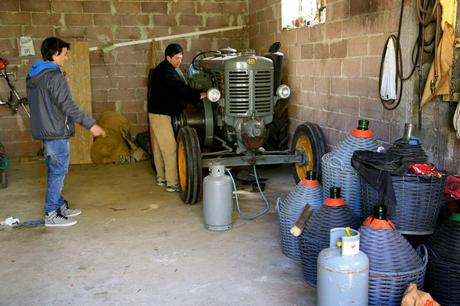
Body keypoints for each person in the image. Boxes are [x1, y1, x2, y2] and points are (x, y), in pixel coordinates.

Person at [26, 37, 106, 227]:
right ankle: (51, 213)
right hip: (56, 132)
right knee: (58, 172)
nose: (67, 58)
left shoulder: (34, 75)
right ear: (55, 54)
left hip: (46, 132)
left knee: (55, 170)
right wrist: (91, 125)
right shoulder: (54, 76)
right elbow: (68, 106)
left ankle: (59, 205)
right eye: (65, 54)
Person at [147, 43, 206, 192]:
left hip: (158, 113)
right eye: (177, 58)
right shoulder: (165, 72)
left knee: (161, 149)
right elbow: (179, 88)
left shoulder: (167, 69)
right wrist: (199, 94)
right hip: (160, 115)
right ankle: (172, 183)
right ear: (168, 57)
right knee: (171, 149)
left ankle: (162, 178)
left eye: (181, 58)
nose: (179, 61)